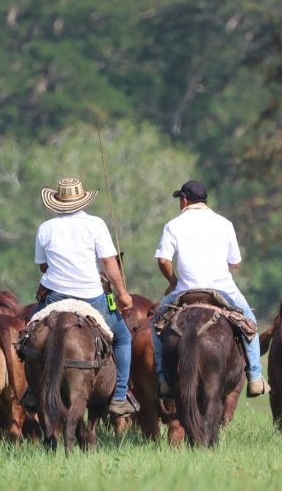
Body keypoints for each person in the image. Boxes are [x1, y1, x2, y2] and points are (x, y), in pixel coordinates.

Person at [152, 180, 269, 398]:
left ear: (184, 200)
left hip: (185, 290)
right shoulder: (224, 224)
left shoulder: (173, 225)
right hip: (223, 290)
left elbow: (163, 261)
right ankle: (254, 376)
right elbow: (235, 262)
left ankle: (162, 378)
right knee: (250, 322)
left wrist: (173, 281)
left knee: (155, 325)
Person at [31, 178, 137, 417]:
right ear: (82, 200)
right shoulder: (96, 224)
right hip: (91, 296)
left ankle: (30, 390)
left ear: (58, 202)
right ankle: (120, 396)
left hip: (53, 296)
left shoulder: (45, 228)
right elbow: (109, 262)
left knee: (28, 336)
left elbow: (43, 267)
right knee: (123, 338)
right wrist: (122, 294)